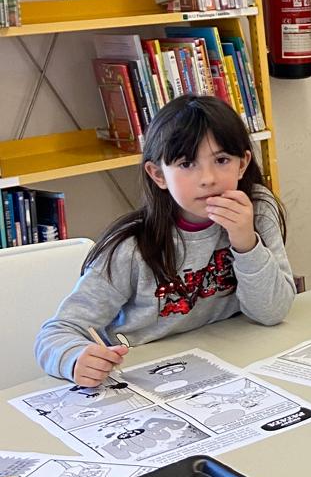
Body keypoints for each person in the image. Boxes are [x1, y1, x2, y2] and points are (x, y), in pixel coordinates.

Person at [36, 95, 294, 386]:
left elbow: (272, 312)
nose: (208, 178)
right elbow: (56, 333)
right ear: (158, 175)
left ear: (242, 164)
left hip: (230, 364)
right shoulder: (131, 248)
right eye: (187, 164)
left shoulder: (257, 210)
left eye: (221, 160)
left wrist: (246, 242)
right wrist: (74, 359)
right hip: (146, 377)